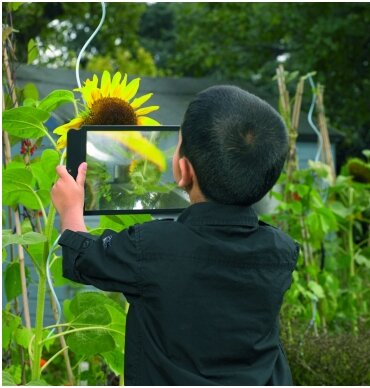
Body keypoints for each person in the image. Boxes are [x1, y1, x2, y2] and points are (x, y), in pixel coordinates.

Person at [52, 85, 300, 386]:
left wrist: (71, 209)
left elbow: (83, 256)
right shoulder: (281, 253)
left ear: (183, 171)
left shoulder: (149, 248)